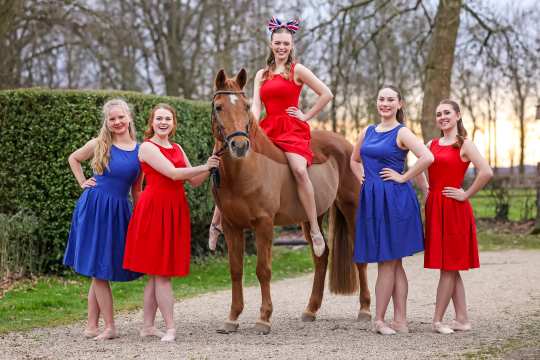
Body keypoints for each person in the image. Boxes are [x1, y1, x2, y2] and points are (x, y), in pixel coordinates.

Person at [208, 17, 333, 257]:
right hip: (266, 128)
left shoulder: (298, 70)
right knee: (231, 164)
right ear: (271, 44)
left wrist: (305, 116)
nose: (282, 47)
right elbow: (256, 106)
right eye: (278, 43)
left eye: (286, 43)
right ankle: (217, 222)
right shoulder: (261, 75)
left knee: (298, 169)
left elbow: (326, 94)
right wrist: (248, 126)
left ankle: (314, 228)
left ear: (291, 45)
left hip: (291, 129)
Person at [123, 104, 219, 342]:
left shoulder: (177, 147)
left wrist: (214, 162)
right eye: (159, 118)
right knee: (162, 273)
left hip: (175, 209)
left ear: (174, 123)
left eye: (168, 118)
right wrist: (206, 166)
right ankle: (171, 328)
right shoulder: (146, 147)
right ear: (151, 122)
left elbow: (194, 180)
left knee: (157, 275)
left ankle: (147, 326)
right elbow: (174, 174)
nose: (163, 122)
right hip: (155, 210)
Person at [350, 85, 434, 335]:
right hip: (373, 200)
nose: (385, 103)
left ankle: (379, 320)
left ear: (400, 104)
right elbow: (354, 160)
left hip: (396, 201)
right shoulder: (367, 131)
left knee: (388, 261)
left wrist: (403, 176)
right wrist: (363, 178)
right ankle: (400, 321)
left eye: (390, 100)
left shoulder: (402, 131)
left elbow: (427, 157)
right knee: (394, 263)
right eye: (381, 99)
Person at [63, 99, 143, 340]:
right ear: (106, 122)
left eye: (121, 117)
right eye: (112, 119)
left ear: (129, 117)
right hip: (94, 207)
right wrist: (82, 182)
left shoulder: (141, 151)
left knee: (100, 267)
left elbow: (136, 189)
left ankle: (91, 326)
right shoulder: (99, 144)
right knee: (98, 269)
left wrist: (139, 217)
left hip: (118, 211)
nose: (117, 122)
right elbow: (73, 158)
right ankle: (109, 327)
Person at [422, 99, 493, 334]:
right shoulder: (430, 144)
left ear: (457, 115)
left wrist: (466, 194)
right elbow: (416, 171)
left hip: (454, 210)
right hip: (435, 207)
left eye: (447, 113)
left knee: (448, 268)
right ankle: (462, 319)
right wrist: (427, 192)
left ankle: (438, 320)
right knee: (450, 267)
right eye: (438, 114)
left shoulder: (464, 144)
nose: (442, 117)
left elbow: (486, 172)